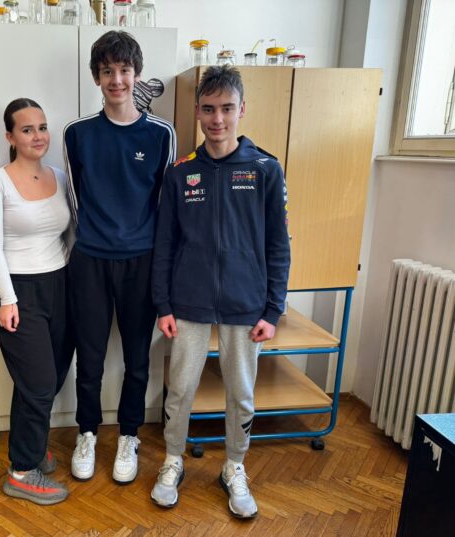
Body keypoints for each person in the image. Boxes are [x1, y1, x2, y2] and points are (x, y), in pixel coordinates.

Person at [150, 65, 290, 517]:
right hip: (187, 302)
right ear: (197, 111)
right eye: (209, 109)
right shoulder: (180, 173)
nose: (217, 119)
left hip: (246, 305)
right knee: (180, 389)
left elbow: (278, 245)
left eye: (227, 108)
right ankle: (173, 460)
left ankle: (234, 466)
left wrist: (273, 309)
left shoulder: (266, 168)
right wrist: (163, 304)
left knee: (241, 393)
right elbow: (165, 244)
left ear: (241, 109)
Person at [63, 30, 176, 484]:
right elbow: (75, 201)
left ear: (137, 74)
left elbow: (165, 204)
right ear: (96, 77)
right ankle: (87, 432)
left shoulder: (161, 134)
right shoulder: (77, 133)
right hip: (90, 260)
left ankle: (129, 434)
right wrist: (98, 236)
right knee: (88, 358)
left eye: (124, 70)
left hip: (141, 262)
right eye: (107, 71)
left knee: (137, 359)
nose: (116, 79)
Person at [0, 98, 74, 505]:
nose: (38, 136)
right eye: (27, 129)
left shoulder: (60, 177)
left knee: (50, 378)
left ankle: (32, 448)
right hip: (17, 292)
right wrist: (7, 298)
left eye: (42, 127)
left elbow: (69, 232)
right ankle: (20, 471)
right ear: (10, 136)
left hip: (60, 285)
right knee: (38, 383)